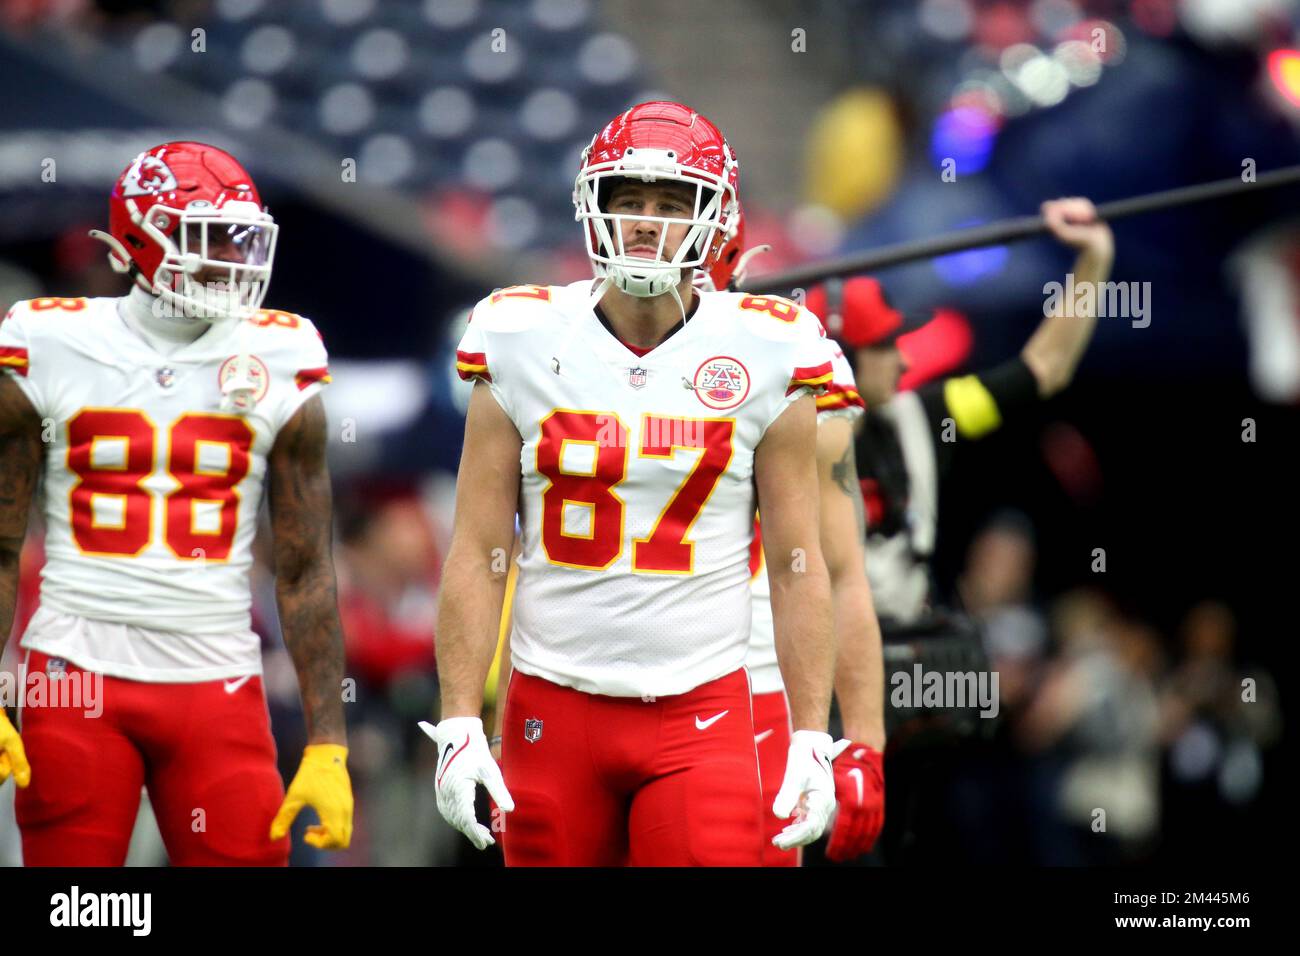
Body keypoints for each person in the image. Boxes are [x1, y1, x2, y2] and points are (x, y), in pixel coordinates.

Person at [424, 101, 840, 866]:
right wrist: (457, 719)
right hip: (551, 706)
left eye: (670, 204)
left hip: (701, 710)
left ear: (712, 220)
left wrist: (813, 733)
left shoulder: (769, 345)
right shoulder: (518, 335)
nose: (646, 222)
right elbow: (480, 547)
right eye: (629, 201)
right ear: (594, 206)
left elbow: (797, 562)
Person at [0, 142, 353, 865]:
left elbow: (304, 568)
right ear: (138, 239)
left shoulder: (281, 353)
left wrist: (328, 743)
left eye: (240, 236)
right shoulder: (51, 339)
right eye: (208, 237)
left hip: (215, 675)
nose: (231, 257)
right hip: (75, 674)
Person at [697, 210, 886, 866]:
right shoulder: (572, 345)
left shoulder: (786, 357)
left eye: (673, 210)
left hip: (746, 690)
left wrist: (862, 742)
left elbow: (839, 569)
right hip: (590, 686)